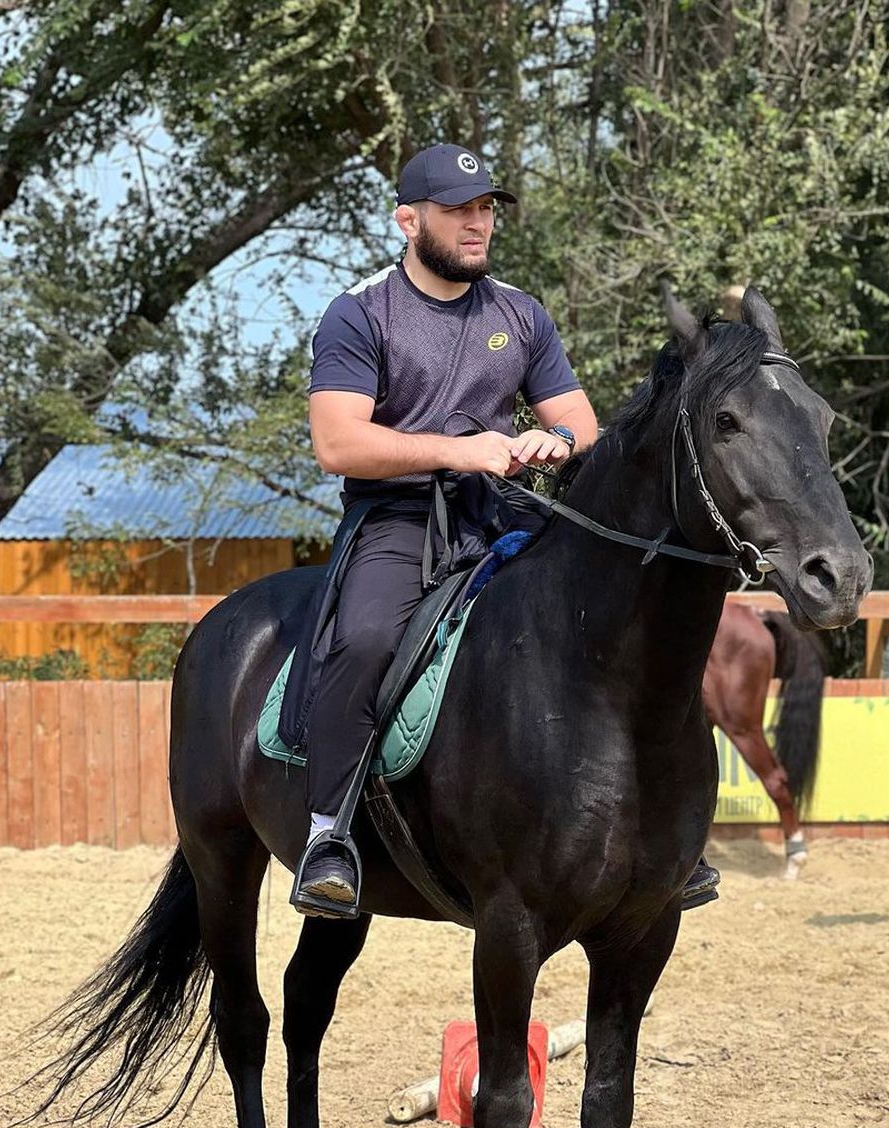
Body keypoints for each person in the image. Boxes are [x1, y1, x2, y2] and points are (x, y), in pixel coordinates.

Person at [293, 142, 717, 916]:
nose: (478, 223)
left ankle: (664, 841)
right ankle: (330, 831)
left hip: (503, 515)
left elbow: (583, 423)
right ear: (407, 219)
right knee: (362, 641)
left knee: (621, 619)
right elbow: (337, 444)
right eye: (460, 210)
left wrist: (554, 443)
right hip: (399, 518)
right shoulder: (359, 313)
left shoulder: (520, 312)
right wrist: (460, 450)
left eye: (486, 207)